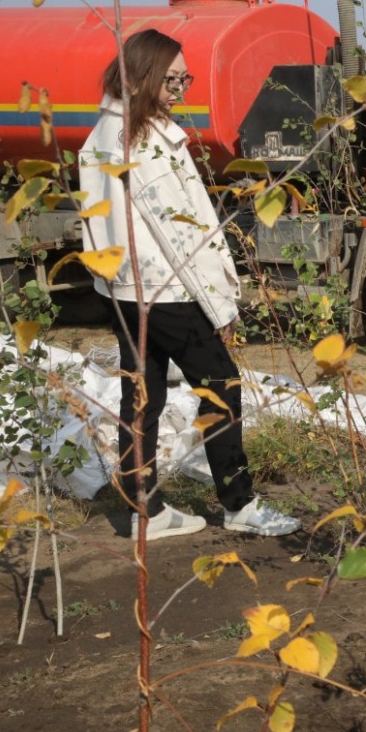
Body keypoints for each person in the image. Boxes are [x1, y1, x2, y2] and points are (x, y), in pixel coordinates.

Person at [79, 29, 300, 541]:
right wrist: (218, 302)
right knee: (222, 386)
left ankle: (147, 512)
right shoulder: (142, 142)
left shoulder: (106, 135)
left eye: (185, 78)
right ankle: (239, 504)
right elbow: (174, 231)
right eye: (171, 77)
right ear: (143, 73)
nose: (180, 87)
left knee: (144, 395)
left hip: (125, 290)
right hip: (166, 288)